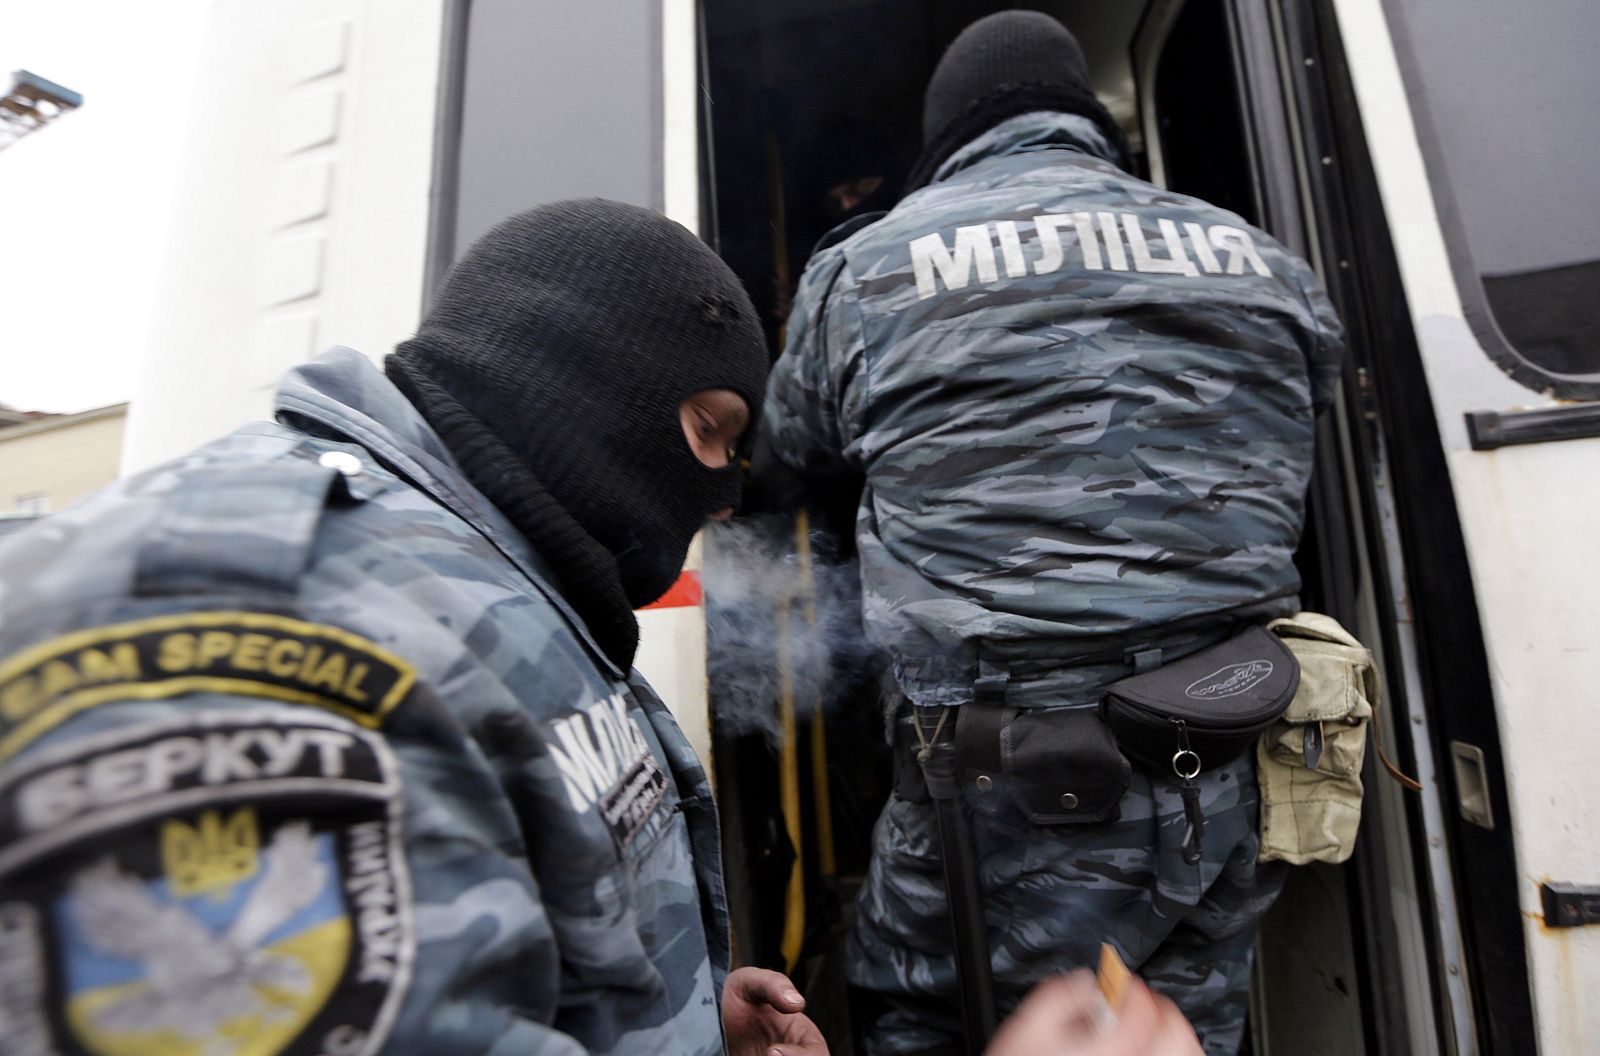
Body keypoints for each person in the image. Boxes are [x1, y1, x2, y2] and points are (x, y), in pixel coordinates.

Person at [0, 197, 1206, 1056]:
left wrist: (668, 1020)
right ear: (588, 381)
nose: (725, 491)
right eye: (714, 430)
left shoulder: (480, 571)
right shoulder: (272, 649)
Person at [761, 11, 1344, 1056]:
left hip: (988, 796)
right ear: (1087, 124)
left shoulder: (868, 272)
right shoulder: (1265, 263)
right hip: (1225, 760)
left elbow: (789, 453)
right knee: (1174, 1029)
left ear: (947, 142)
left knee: (932, 1016)